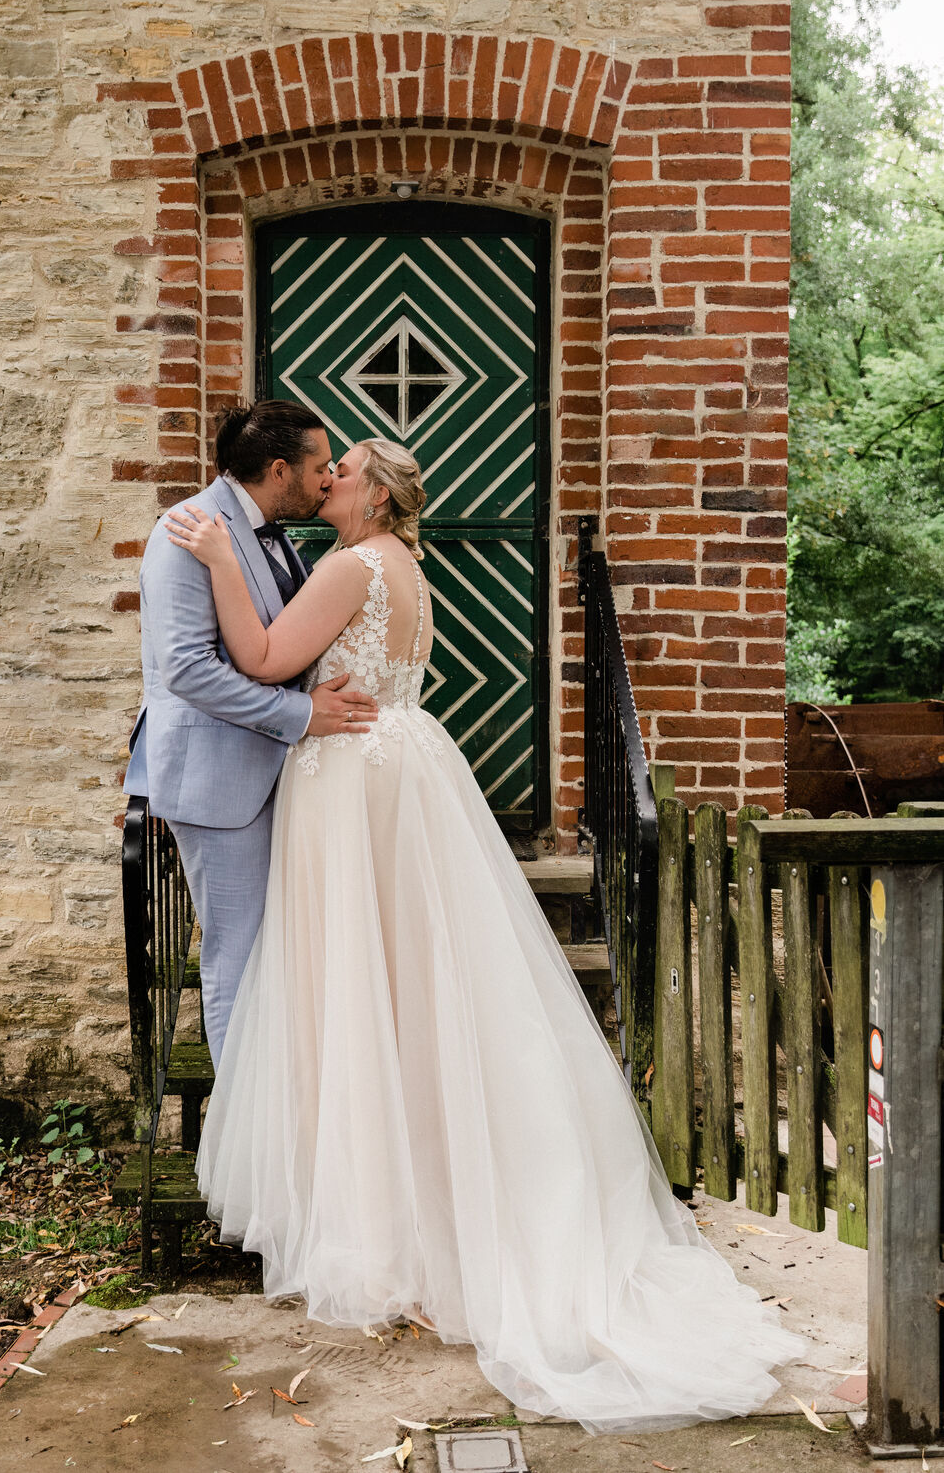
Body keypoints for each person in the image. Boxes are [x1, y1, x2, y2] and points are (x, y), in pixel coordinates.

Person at [163, 437, 804, 1432]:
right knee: (411, 986)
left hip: (354, 783)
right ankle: (420, 1203)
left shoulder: (346, 563)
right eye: (318, 465)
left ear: (372, 492)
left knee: (360, 986)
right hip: (403, 765)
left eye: (342, 470)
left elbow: (258, 659)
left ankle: (387, 1226)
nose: (325, 480)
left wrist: (212, 561)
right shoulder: (403, 566)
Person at [123, 399, 378, 1068]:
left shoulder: (272, 532)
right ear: (278, 469)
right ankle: (242, 1153)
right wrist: (301, 715)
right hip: (217, 783)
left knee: (278, 952)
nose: (329, 478)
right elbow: (185, 669)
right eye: (321, 467)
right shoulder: (185, 532)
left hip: (270, 773)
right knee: (238, 954)